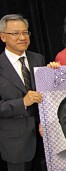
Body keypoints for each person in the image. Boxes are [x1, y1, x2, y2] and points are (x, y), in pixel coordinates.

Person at [0, 14, 46, 171]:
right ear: (3, 37)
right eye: (15, 33)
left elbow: (47, 92)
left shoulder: (38, 59)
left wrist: (54, 73)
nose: (22, 37)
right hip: (15, 144)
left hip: (44, 139)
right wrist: (22, 103)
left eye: (25, 32)